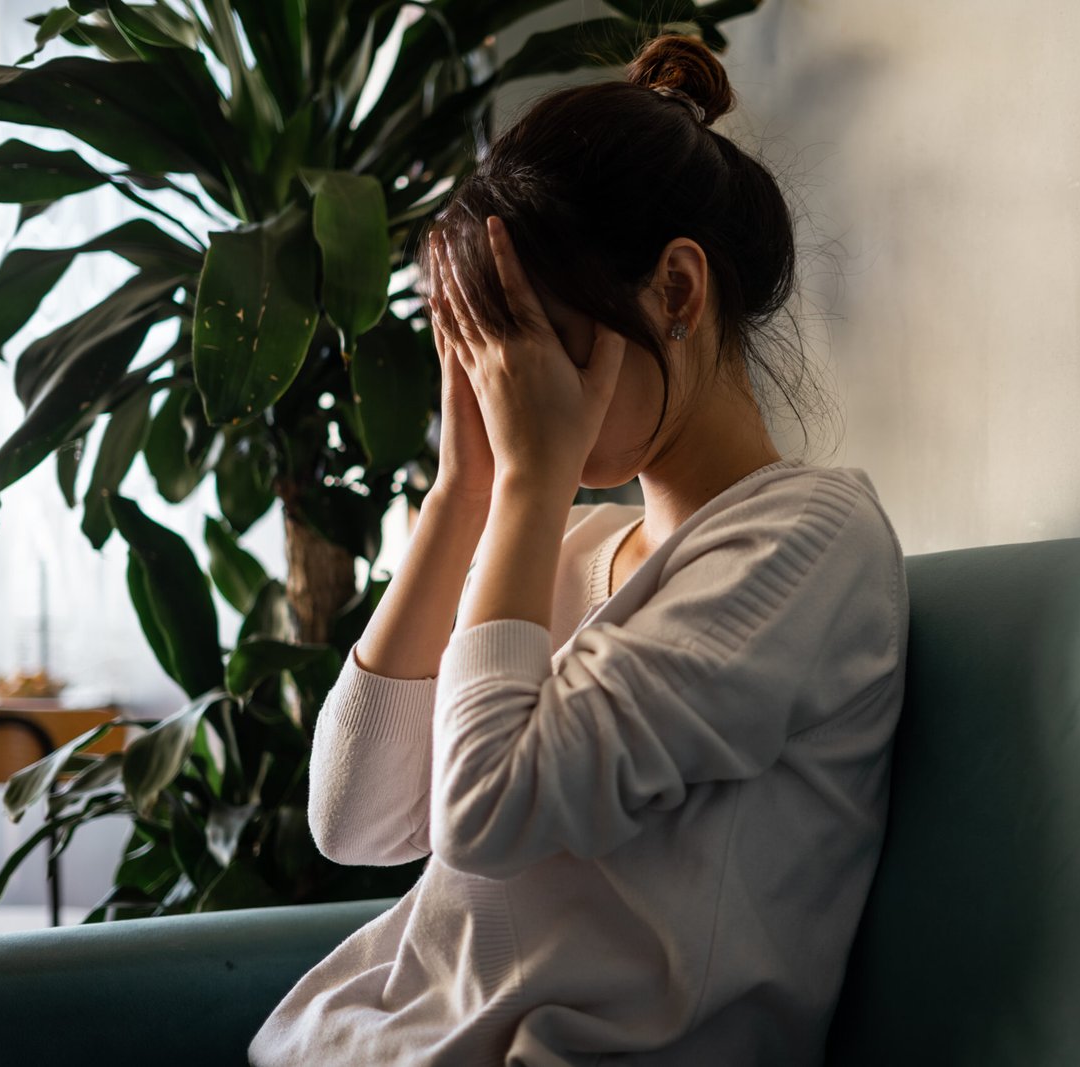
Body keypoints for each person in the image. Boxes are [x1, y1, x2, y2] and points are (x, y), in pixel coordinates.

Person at [248, 31, 909, 1067]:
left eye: (530, 341)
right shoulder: (566, 545)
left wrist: (523, 484)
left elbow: (486, 813)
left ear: (677, 294)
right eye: (482, 353)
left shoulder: (804, 542)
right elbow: (354, 818)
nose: (509, 388)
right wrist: (462, 489)